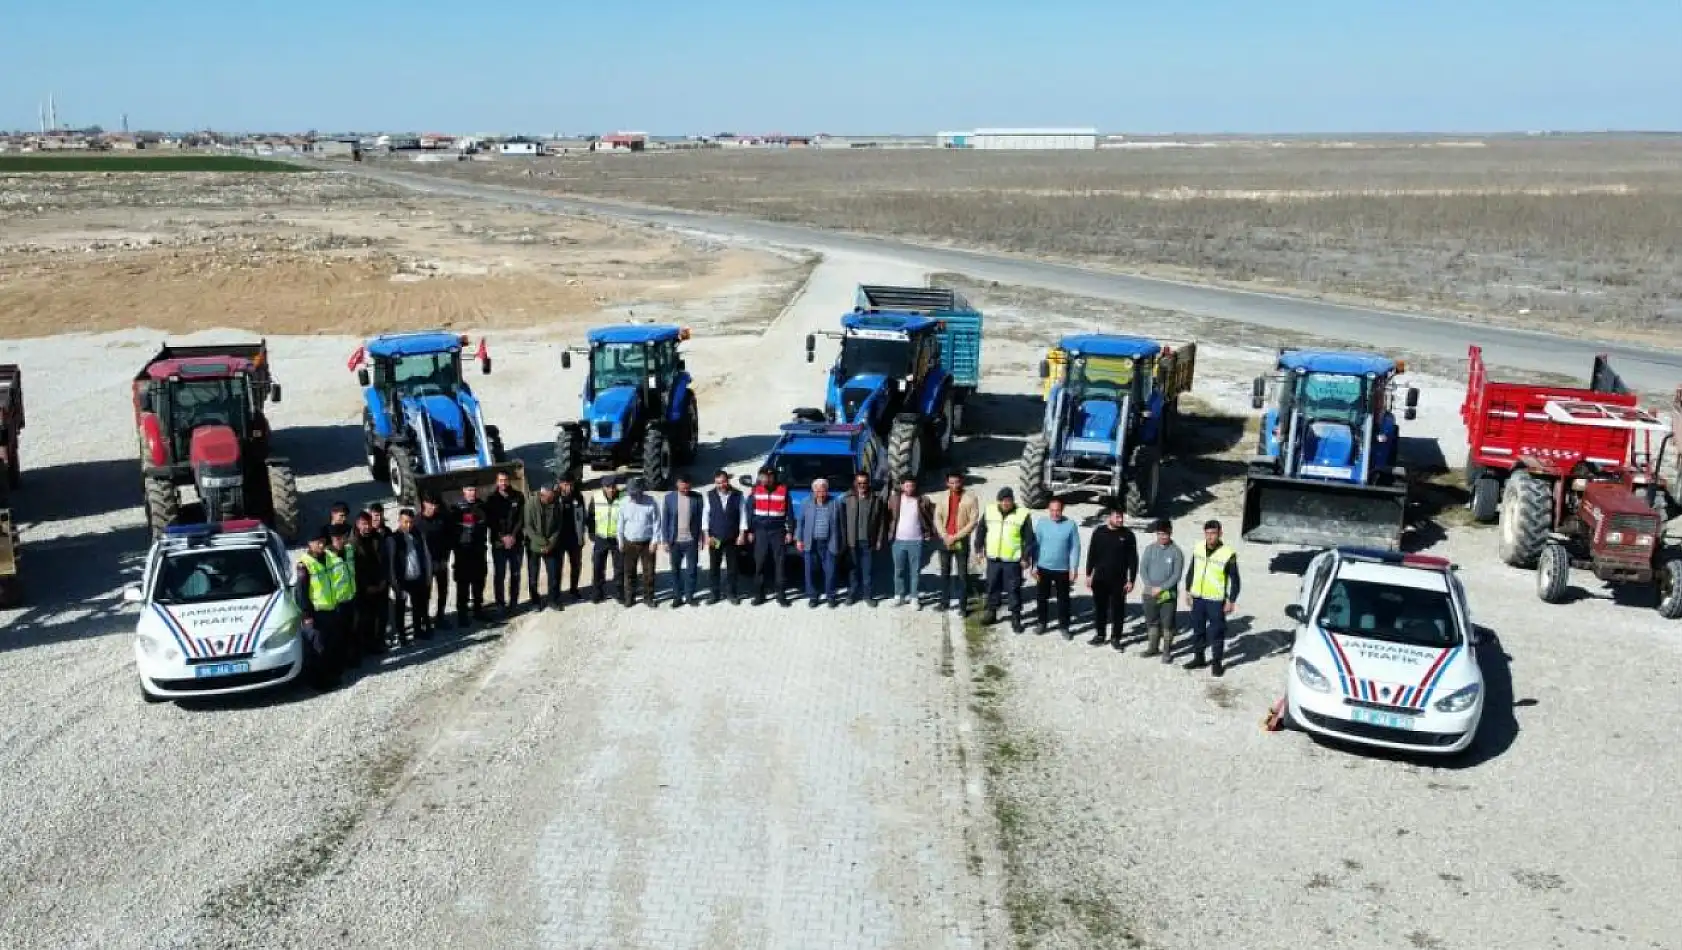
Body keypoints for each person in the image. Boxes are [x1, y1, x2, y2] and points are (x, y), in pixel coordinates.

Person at [973, 487, 1035, 633]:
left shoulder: (1022, 514)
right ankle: (991, 612)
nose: (1006, 503)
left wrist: (1025, 557)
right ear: (999, 501)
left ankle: (1016, 617)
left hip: (1013, 560)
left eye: (1009, 500)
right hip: (993, 558)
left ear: (1013, 500)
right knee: (992, 586)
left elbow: (1029, 539)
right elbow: (981, 530)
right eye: (1003, 500)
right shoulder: (989, 511)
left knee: (1013, 589)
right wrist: (978, 548)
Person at [1184, 519, 1241, 677]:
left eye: (1213, 533)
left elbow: (1235, 579)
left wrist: (1231, 600)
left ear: (1220, 534)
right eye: (1207, 533)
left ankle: (1216, 663)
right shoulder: (1198, 548)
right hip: (1198, 598)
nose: (1210, 537)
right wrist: (1188, 591)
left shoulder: (1228, 553)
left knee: (1217, 632)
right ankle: (1199, 658)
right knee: (1198, 630)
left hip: (1216, 600)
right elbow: (1191, 570)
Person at [294, 531, 344, 690]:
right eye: (318, 542)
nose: (321, 545)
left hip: (329, 609)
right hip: (315, 613)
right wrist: (306, 615)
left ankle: (331, 677)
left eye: (323, 542)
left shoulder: (326, 558)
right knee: (318, 649)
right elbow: (301, 593)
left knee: (330, 645)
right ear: (310, 543)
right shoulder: (305, 564)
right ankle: (320, 683)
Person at [1084, 506, 1139, 648]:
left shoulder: (1128, 535)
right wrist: (1089, 574)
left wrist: (1131, 580)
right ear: (1109, 517)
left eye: (1121, 517)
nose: (1120, 520)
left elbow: (1133, 559)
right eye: (1117, 517)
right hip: (1100, 578)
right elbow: (1092, 554)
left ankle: (1116, 638)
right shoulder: (1099, 532)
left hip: (1119, 580)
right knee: (1100, 608)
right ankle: (1100, 635)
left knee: (1118, 610)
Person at [1030, 496, 1080, 637]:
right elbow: (1036, 546)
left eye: (1057, 510)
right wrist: (1034, 566)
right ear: (1048, 510)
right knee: (1041, 597)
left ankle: (1064, 626)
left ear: (1062, 510)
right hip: (1043, 567)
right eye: (1052, 510)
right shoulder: (1042, 523)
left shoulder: (1070, 525)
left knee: (1063, 599)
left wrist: (1074, 568)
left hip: (1062, 569)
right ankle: (1042, 623)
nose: (1055, 513)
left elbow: (1075, 547)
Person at [932, 471, 980, 615]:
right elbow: (937, 518)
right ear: (947, 483)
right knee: (944, 573)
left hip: (961, 541)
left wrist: (956, 536)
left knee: (962, 575)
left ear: (962, 481)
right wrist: (945, 535)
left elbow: (973, 521)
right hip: (945, 540)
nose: (954, 485)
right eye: (951, 483)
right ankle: (944, 603)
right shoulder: (942, 497)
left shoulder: (971, 499)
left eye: (957, 482)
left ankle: (963, 607)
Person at [1137, 519, 1185, 662]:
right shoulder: (1149, 549)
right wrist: (1150, 586)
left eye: (1165, 534)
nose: (1162, 537)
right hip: (1149, 593)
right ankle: (1152, 648)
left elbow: (1176, 575)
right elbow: (1143, 569)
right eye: (1160, 534)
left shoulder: (1176, 552)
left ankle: (1166, 651)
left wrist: (1161, 588)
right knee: (1152, 622)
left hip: (1168, 595)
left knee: (1167, 624)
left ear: (1171, 533)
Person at [886, 475, 935, 607]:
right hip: (898, 541)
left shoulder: (923, 500)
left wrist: (930, 532)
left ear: (915, 486)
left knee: (915, 571)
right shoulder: (894, 499)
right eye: (907, 485)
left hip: (916, 541)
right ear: (902, 486)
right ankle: (899, 595)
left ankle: (914, 597)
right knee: (898, 570)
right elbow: (886, 516)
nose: (909, 488)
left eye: (912, 485)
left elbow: (932, 515)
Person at [386, 507, 433, 641]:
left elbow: (424, 555)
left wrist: (426, 575)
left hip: (417, 576)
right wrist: (395, 584)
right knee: (400, 608)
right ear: (399, 521)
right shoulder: (394, 538)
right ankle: (401, 634)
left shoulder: (417, 535)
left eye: (410, 522)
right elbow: (391, 563)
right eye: (405, 522)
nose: (408, 525)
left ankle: (418, 630)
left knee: (418, 605)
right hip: (402, 580)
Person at [796, 478, 844, 608]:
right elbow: (800, 523)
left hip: (829, 543)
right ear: (813, 491)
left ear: (827, 491)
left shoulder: (835, 503)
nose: (821, 494)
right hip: (811, 543)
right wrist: (799, 539)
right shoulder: (806, 502)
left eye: (823, 491)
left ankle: (831, 596)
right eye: (818, 491)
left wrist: (841, 541)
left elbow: (841, 524)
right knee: (810, 572)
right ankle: (813, 596)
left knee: (830, 571)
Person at [748, 466, 793, 607]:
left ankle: (781, 595)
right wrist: (749, 531)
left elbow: (790, 513)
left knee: (779, 563)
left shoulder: (783, 490)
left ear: (774, 477)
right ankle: (759, 595)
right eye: (763, 476)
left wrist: (790, 531)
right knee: (759, 563)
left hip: (777, 531)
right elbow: (750, 512)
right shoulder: (755, 491)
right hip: (760, 531)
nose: (766, 479)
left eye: (769, 476)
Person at [484, 469, 526, 617]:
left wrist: (513, 536)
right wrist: (503, 537)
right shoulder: (491, 499)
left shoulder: (518, 497)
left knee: (515, 574)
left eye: (505, 480)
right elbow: (491, 522)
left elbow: (521, 518)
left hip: (516, 542)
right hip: (499, 543)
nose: (503, 483)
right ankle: (500, 604)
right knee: (499, 575)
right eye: (500, 480)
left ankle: (514, 603)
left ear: (509, 481)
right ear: (497, 482)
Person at [841, 471, 886, 606]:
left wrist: (879, 540)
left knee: (868, 570)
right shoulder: (847, 499)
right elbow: (842, 521)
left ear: (869, 483)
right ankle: (852, 594)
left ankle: (868, 595)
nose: (862, 485)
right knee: (853, 570)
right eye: (859, 483)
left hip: (868, 541)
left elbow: (881, 522)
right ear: (855, 483)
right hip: (852, 542)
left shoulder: (876, 499)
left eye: (864, 483)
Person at [704, 469, 748, 604]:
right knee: (714, 566)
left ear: (727, 481)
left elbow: (743, 515)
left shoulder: (738, 495)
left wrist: (742, 534)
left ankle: (732, 593)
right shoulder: (709, 495)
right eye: (718, 483)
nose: (721, 485)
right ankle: (714, 594)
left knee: (732, 567)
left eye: (723, 482)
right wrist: (706, 535)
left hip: (732, 538)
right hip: (715, 538)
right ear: (715, 482)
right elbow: (705, 516)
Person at [617, 476, 662, 608]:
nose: (632, 495)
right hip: (629, 543)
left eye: (634, 493)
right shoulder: (624, 503)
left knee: (649, 572)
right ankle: (629, 597)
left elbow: (657, 523)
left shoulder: (651, 502)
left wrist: (655, 541)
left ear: (641, 491)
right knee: (629, 572)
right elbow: (620, 524)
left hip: (647, 543)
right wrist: (620, 540)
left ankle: (648, 597)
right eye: (630, 493)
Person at [662, 472, 703, 608]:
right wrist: (665, 540)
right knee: (675, 570)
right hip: (675, 541)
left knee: (691, 570)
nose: (686, 490)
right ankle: (677, 597)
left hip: (691, 540)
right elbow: (665, 520)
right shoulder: (669, 498)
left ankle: (690, 596)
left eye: (688, 488)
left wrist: (701, 538)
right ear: (677, 484)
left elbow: (701, 520)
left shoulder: (697, 498)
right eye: (683, 488)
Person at [451, 483, 491, 626]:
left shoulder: (482, 506)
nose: (472, 493)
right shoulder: (456, 509)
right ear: (463, 491)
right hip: (463, 552)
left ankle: (478, 610)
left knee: (479, 582)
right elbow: (451, 532)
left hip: (479, 551)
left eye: (474, 490)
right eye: (468, 490)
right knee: (463, 584)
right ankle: (462, 615)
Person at [351, 511, 390, 654]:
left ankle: (379, 642)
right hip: (364, 588)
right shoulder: (352, 543)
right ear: (357, 524)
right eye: (363, 524)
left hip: (380, 583)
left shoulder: (378, 538)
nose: (366, 527)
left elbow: (385, 560)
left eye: (368, 524)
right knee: (366, 619)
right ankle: (366, 645)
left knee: (381, 617)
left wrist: (384, 580)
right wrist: (366, 586)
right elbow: (355, 569)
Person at [521, 483, 563, 610]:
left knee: (553, 574)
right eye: (548, 497)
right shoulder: (530, 504)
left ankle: (553, 600)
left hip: (550, 545)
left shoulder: (556, 504)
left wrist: (550, 543)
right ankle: (535, 601)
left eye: (552, 496)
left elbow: (558, 526)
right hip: (534, 544)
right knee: (533, 575)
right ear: (542, 494)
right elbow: (528, 527)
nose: (550, 499)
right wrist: (543, 543)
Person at [326, 524, 361, 668]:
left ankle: (353, 659)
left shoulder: (349, 551)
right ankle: (341, 662)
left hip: (351, 597)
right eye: (337, 539)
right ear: (332, 540)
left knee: (353, 630)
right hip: (337, 602)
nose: (340, 541)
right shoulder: (327, 557)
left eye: (342, 538)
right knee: (339, 634)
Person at [417, 495, 454, 629]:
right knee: (425, 592)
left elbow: (450, 538)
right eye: (430, 504)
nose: (433, 507)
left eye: (435, 504)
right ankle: (424, 618)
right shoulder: (418, 521)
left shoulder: (442, 518)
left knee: (443, 590)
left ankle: (441, 616)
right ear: (424, 504)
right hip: (426, 564)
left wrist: (446, 557)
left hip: (441, 561)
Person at [586, 475, 623, 603]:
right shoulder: (596, 498)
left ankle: (620, 592)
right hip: (601, 538)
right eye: (608, 487)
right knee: (598, 566)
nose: (611, 490)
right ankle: (597, 592)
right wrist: (592, 534)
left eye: (613, 487)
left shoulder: (624, 497)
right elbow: (590, 517)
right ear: (603, 487)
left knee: (619, 567)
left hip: (617, 538)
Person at [554, 475, 588, 601]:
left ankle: (574, 589)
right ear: (560, 484)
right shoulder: (554, 496)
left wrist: (582, 535)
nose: (568, 487)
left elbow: (583, 516)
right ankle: (556, 593)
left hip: (574, 538)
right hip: (558, 539)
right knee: (557, 567)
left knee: (576, 565)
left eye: (570, 484)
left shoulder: (578, 497)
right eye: (565, 484)